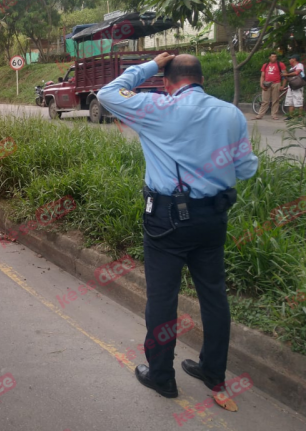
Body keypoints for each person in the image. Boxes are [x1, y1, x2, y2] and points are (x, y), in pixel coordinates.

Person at [97, 53, 259, 404]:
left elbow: (107, 93)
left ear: (168, 83)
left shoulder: (158, 107)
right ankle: (213, 373)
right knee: (214, 296)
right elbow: (246, 170)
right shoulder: (231, 114)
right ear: (201, 79)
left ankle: (162, 377)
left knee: (162, 298)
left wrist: (152, 65)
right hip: (212, 218)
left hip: (166, 220)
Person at [253, 52, 287, 120]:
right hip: (267, 83)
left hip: (276, 83)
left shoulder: (280, 64)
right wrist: (261, 84)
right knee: (265, 100)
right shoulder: (265, 65)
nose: (274, 58)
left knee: (275, 100)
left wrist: (283, 85)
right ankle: (260, 115)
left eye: (275, 57)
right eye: (272, 57)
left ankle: (274, 115)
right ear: (269, 57)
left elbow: (285, 75)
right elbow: (262, 76)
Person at [282, 54, 304, 120]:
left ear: (294, 59)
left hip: (298, 85)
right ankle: (291, 116)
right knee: (290, 101)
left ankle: (300, 116)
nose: (289, 60)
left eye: (290, 58)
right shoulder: (291, 68)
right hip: (291, 86)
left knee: (298, 101)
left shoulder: (299, 65)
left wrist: (287, 74)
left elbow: (297, 73)